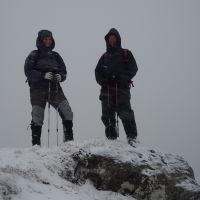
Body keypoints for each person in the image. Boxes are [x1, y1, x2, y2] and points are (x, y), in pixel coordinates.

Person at [24, 30, 73, 146]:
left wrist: (60, 77)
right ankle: (36, 146)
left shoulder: (56, 55)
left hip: (55, 88)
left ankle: (69, 142)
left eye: (49, 39)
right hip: (37, 89)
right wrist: (42, 75)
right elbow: (28, 71)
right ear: (40, 40)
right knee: (37, 115)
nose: (48, 41)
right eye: (45, 39)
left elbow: (63, 71)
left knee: (68, 112)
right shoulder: (34, 54)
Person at [95, 28, 138, 145]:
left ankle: (132, 139)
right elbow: (97, 72)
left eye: (114, 37)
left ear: (118, 39)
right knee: (107, 115)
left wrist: (121, 77)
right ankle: (111, 140)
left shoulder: (126, 53)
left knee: (126, 113)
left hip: (122, 89)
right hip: (106, 90)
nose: (112, 39)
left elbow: (133, 68)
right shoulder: (104, 56)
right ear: (107, 40)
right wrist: (104, 80)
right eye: (110, 38)